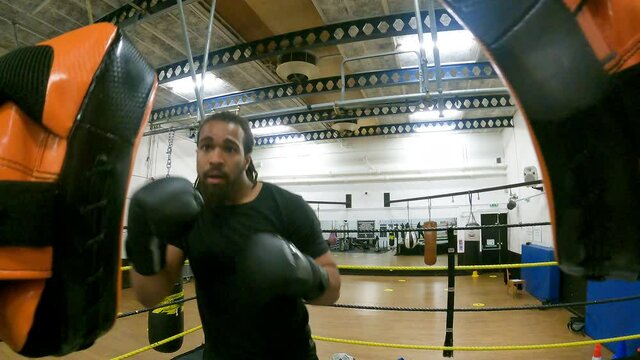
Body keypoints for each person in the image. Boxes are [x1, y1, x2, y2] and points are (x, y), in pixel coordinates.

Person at [125, 111, 341, 360]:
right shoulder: (188, 215)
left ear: (247, 159)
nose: (215, 158)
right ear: (198, 154)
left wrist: (305, 273)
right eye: (206, 146)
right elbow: (151, 295)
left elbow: (333, 289)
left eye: (229, 148)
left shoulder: (287, 207)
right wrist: (141, 239)